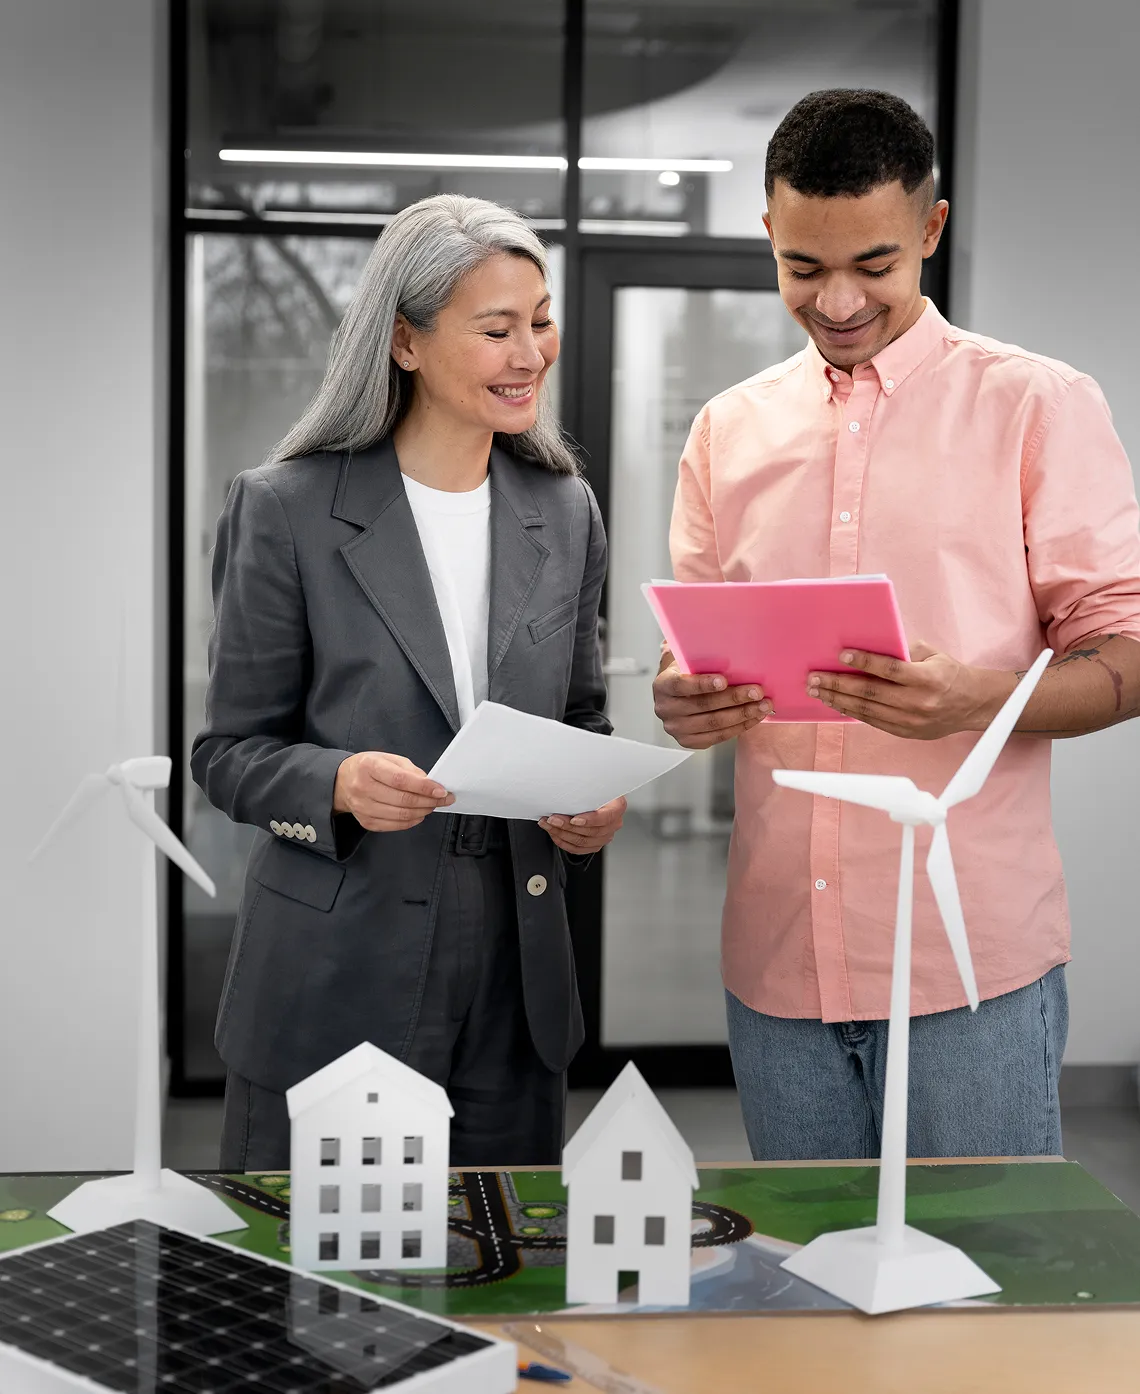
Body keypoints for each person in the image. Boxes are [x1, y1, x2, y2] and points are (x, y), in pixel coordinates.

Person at [654, 89, 1140, 1162]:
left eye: (873, 266)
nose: (836, 301)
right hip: (778, 958)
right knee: (809, 1293)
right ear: (770, 235)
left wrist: (985, 697)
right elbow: (693, 647)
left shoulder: (1038, 406)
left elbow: (1127, 649)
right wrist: (682, 698)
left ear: (930, 229)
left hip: (969, 965)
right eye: (802, 267)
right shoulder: (728, 431)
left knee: (978, 1296)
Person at [192, 194, 625, 1171]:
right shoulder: (286, 509)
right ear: (407, 341)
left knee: (496, 1271)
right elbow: (226, 755)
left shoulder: (564, 511)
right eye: (497, 328)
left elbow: (580, 717)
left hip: (516, 975)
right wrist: (335, 783)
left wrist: (593, 805)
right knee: (308, 1296)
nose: (531, 352)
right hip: (336, 966)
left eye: (540, 321)